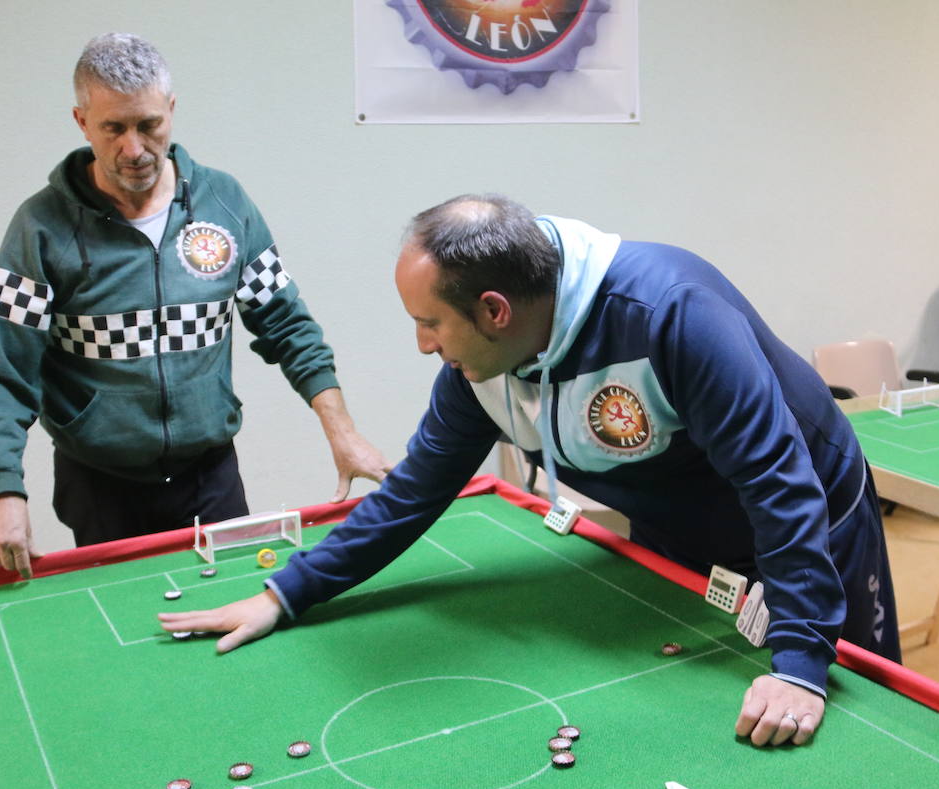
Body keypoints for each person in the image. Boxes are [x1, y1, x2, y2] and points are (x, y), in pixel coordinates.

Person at [160, 193, 900, 748]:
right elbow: (412, 493)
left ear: (493, 309)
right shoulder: (480, 368)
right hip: (685, 533)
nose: (422, 345)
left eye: (430, 323)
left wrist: (802, 658)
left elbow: (778, 479)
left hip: (812, 520)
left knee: (856, 722)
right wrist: (288, 592)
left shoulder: (671, 312)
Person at [0, 34, 389, 578]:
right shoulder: (40, 228)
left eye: (148, 125)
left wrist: (342, 431)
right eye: (113, 128)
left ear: (171, 110)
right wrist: (0, 488)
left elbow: (287, 325)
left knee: (231, 612)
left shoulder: (224, 203)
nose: (134, 148)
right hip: (100, 485)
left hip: (211, 477)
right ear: (81, 121)